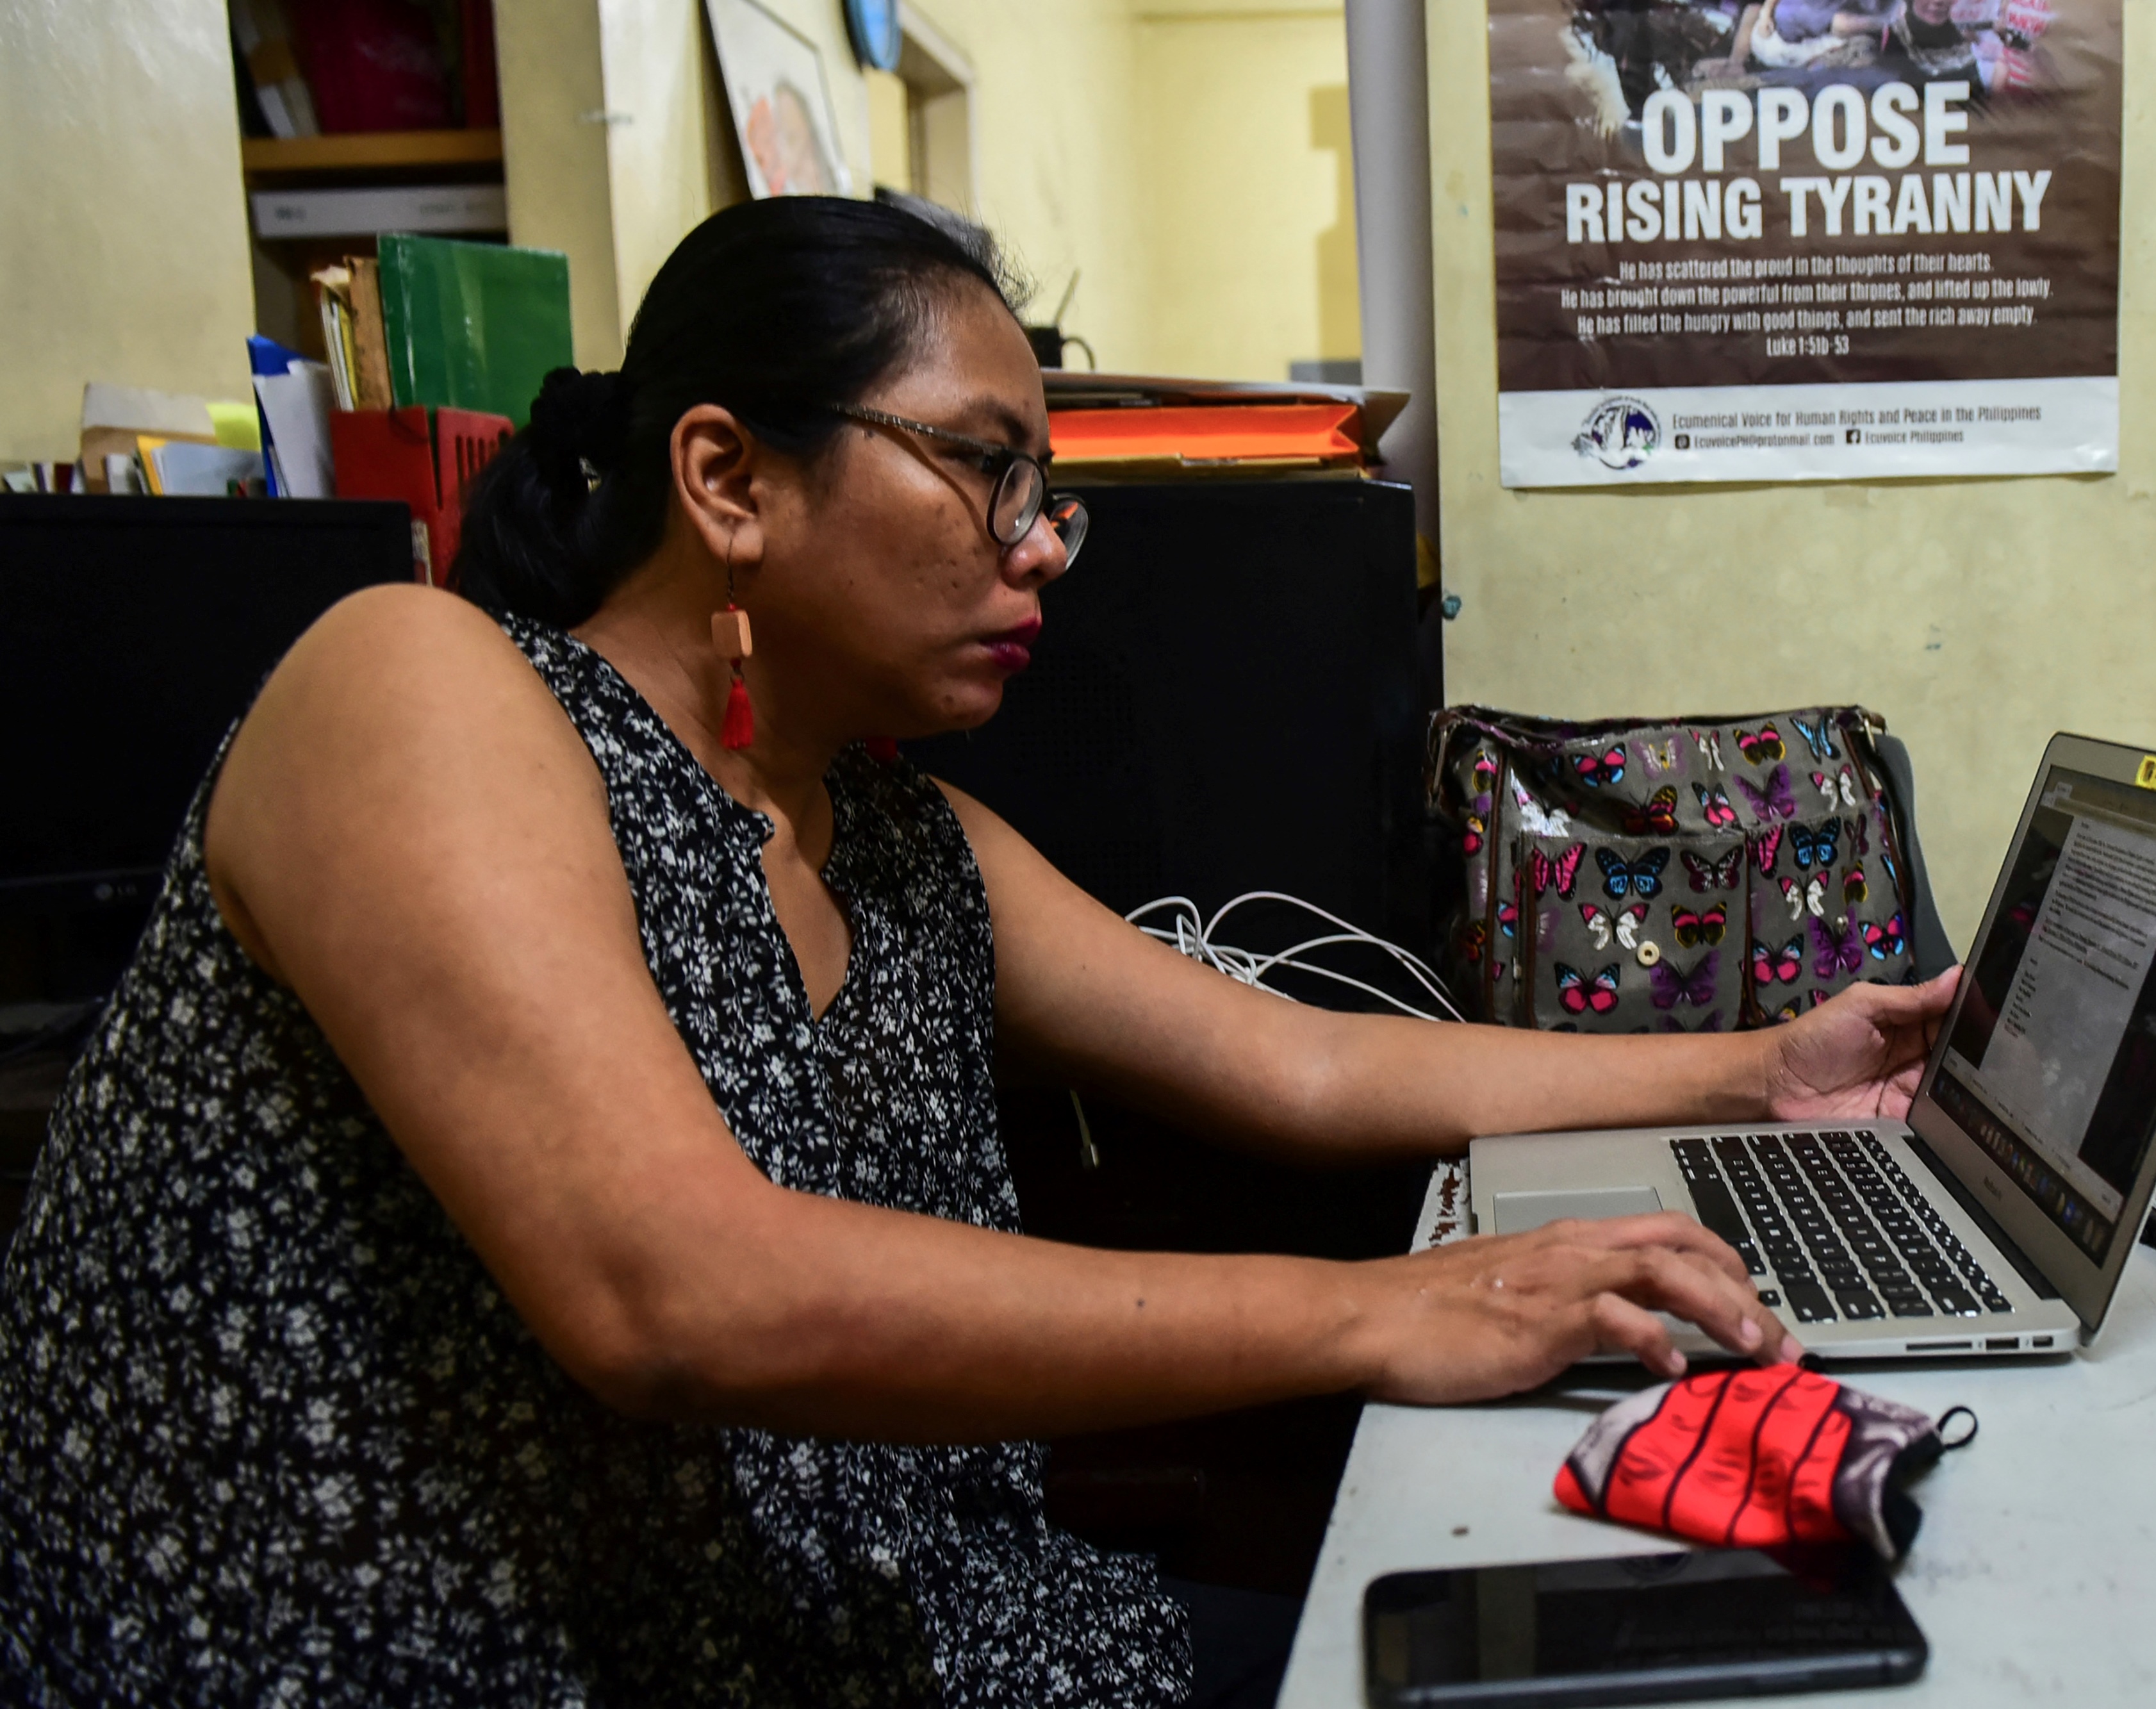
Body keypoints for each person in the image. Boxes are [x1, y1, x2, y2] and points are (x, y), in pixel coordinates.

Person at [0, 197, 1956, 1706]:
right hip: (446, 1668)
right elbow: (672, 1291)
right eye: (984, 469)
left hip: (879, 1639)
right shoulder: (413, 685)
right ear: (727, 480)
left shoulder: (901, 832)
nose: (1040, 546)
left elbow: (1308, 1066)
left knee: (1655, 1642)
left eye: (1052, 495)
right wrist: (1387, 1316)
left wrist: (1770, 1064)